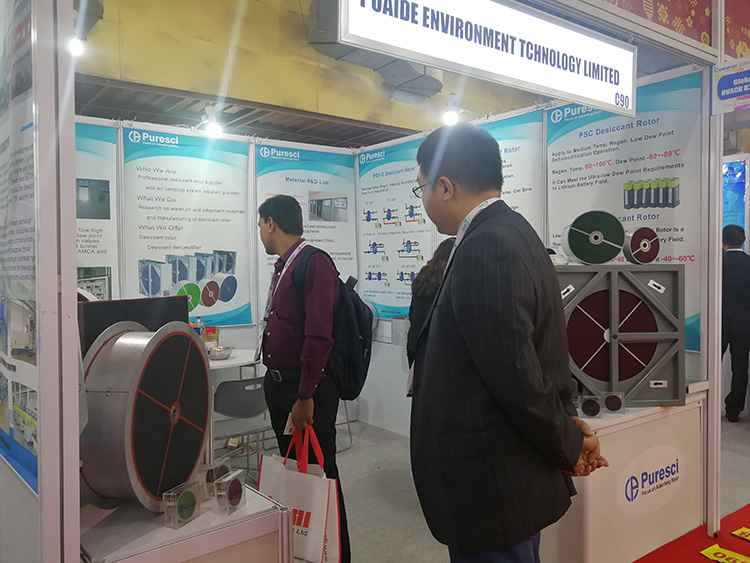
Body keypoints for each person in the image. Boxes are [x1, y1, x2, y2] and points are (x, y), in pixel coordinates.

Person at [409, 123, 607, 562]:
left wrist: (568, 443)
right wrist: (567, 430)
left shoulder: (486, 247)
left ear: (446, 187)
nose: (422, 201)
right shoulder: (514, 231)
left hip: (490, 482)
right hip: (504, 472)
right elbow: (531, 354)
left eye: (421, 188)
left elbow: (516, 374)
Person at [257, 194, 350, 561]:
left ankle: (334, 553)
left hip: (306, 390)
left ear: (271, 223)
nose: (260, 233)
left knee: (320, 473)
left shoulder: (314, 263)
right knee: (295, 472)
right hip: (281, 385)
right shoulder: (284, 266)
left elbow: (319, 335)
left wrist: (306, 394)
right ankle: (302, 550)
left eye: (260, 225)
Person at [406, 237, 455, 367]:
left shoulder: (423, 274)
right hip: (438, 346)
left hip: (415, 343)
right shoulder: (451, 276)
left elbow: (413, 313)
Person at [722, 224, 750, 422]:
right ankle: (734, 411)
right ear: (744, 240)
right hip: (744, 324)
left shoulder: (717, 264)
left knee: (710, 366)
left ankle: (706, 405)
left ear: (722, 242)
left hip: (719, 323)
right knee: (740, 368)